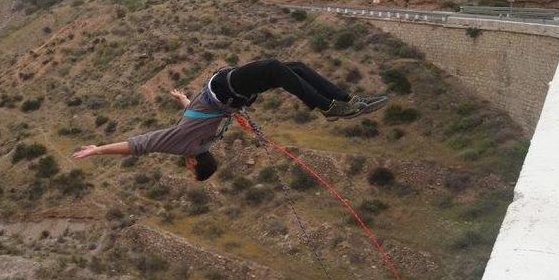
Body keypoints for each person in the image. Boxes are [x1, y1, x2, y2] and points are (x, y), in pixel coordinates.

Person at [71, 59, 387, 181]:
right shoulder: (183, 145)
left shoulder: (205, 140)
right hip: (225, 89)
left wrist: (183, 99)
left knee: (294, 69)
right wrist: (98, 150)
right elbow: (138, 145)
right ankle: (329, 107)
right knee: (278, 69)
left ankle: (346, 102)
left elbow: (196, 120)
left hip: (232, 96)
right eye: (191, 168)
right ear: (193, 162)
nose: (186, 165)